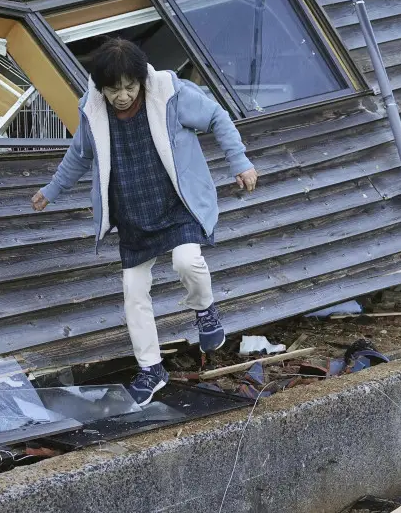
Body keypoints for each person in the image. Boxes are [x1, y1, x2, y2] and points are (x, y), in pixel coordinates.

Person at [31, 38, 257, 406]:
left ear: (141, 80)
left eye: (129, 86)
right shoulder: (94, 112)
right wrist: (51, 190)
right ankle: (152, 369)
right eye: (113, 88)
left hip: (176, 203)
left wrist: (241, 162)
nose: (122, 95)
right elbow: (78, 155)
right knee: (133, 291)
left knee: (187, 261)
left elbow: (216, 116)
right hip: (133, 214)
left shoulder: (171, 94)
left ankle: (205, 310)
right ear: (101, 87)